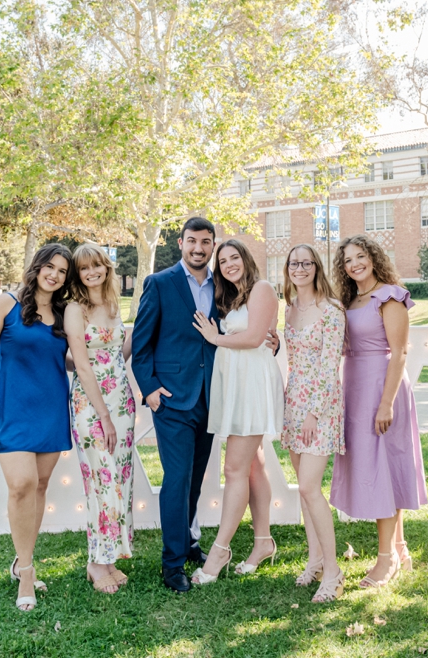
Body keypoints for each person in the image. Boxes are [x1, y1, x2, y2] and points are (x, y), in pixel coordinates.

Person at [0, 243, 73, 610]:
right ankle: (26, 573)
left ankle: (21, 560)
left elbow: (72, 359)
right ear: (37, 266)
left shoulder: (64, 312)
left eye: (62, 271)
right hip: (11, 407)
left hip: (51, 409)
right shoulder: (7, 303)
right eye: (50, 267)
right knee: (22, 484)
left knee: (41, 485)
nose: (55, 275)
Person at [329, 235, 427, 589]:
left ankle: (385, 561)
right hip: (355, 389)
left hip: (383, 390)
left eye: (360, 257)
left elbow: (399, 352)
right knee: (375, 468)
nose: (354, 264)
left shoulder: (391, 296)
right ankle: (399, 548)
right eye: (347, 260)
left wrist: (386, 403)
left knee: (386, 469)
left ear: (373, 258)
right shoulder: (349, 300)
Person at [129, 217, 221, 592]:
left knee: (196, 479)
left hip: (212, 397)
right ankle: (172, 565)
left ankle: (190, 541)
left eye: (206, 242)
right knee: (178, 478)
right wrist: (149, 389)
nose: (199, 248)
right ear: (181, 243)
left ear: (213, 245)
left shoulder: (223, 285)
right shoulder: (160, 283)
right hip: (171, 399)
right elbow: (141, 343)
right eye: (193, 241)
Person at [189, 239, 285, 584]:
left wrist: (215, 339)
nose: (229, 264)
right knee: (253, 466)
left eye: (234, 258)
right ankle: (263, 542)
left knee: (234, 468)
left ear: (246, 259)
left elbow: (256, 336)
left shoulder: (261, 288)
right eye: (223, 260)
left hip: (253, 384)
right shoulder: (229, 298)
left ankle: (220, 550)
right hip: (236, 383)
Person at [64, 242, 137, 593]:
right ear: (78, 274)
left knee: (119, 482)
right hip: (92, 408)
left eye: (97, 265)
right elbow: (82, 365)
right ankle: (95, 562)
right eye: (84, 268)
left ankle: (109, 559)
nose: (92, 272)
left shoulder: (112, 304)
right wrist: (105, 416)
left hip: (122, 403)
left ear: (107, 267)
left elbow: (117, 354)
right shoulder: (75, 310)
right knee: (100, 483)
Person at [281, 243, 346, 603]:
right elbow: (295, 358)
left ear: (316, 268)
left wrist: (313, 414)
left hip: (319, 408)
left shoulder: (331, 310)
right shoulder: (290, 309)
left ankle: (334, 572)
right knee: (302, 490)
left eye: (306, 263)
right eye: (294, 263)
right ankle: (315, 559)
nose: (300, 268)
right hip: (293, 403)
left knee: (309, 487)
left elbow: (328, 365)